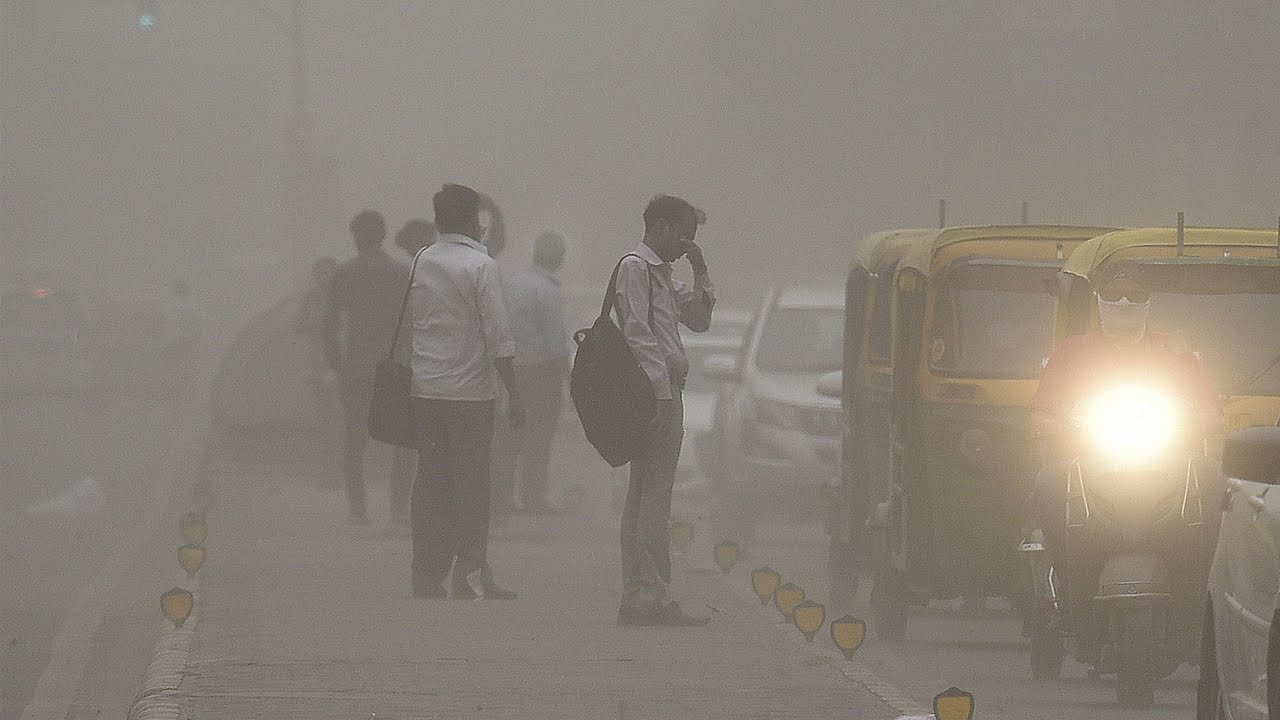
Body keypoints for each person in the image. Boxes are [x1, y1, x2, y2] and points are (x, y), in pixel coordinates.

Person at [1026, 260, 1218, 580]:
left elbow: (1212, 416)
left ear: (1148, 301)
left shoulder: (1175, 351)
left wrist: (1191, 423)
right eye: (1114, 294)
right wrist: (1066, 427)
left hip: (1170, 464)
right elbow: (1038, 418)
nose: (1124, 302)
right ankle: (1066, 587)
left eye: (1134, 295)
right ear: (1099, 298)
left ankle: (1201, 590)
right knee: (1048, 483)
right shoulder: (1072, 352)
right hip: (1085, 465)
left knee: (1214, 478)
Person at [409, 184, 525, 600]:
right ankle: (470, 572)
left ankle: (426, 571)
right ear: (472, 219)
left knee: (431, 482)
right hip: (470, 395)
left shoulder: (422, 260)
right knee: (472, 484)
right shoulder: (480, 266)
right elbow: (499, 336)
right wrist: (514, 392)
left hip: (426, 389)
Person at [615, 194, 715, 627]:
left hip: (666, 392)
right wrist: (658, 393)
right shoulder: (635, 270)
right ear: (658, 225)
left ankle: (643, 591)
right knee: (652, 498)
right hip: (653, 395)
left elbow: (698, 320)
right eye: (682, 233)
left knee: (647, 495)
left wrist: (700, 268)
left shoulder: (663, 275)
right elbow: (638, 334)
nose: (685, 243)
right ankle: (649, 593)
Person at [323, 210, 416, 526]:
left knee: (354, 438)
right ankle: (398, 508)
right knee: (403, 440)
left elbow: (329, 325)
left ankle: (358, 510)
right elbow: (412, 323)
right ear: (383, 236)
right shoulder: (403, 274)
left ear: (354, 237)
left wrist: (337, 364)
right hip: (395, 365)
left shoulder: (344, 274)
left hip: (357, 367)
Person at [508, 231, 572, 513]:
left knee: (513, 438)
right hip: (542, 375)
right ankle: (533, 499)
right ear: (559, 259)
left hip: (512, 372)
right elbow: (557, 345)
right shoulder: (549, 292)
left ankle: (503, 497)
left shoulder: (514, 284)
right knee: (539, 439)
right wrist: (570, 380)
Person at [297, 257, 340, 442]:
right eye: (321, 273)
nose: (325, 277)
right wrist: (310, 325)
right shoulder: (309, 298)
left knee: (335, 389)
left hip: (337, 351)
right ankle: (325, 425)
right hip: (316, 351)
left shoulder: (342, 297)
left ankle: (334, 426)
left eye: (328, 272)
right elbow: (298, 324)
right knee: (319, 389)